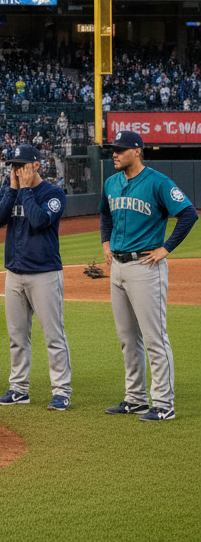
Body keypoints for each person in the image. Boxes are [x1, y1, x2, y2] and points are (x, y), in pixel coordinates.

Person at [100, 129, 198, 421]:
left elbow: (189, 213)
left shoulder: (157, 182)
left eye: (120, 149)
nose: (114, 154)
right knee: (128, 338)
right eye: (112, 149)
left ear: (137, 151)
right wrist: (105, 242)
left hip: (146, 268)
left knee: (155, 337)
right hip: (117, 268)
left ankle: (164, 405)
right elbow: (105, 214)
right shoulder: (111, 183)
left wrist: (166, 248)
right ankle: (136, 398)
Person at [0, 144, 72, 410]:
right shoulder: (10, 189)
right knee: (17, 336)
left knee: (53, 335)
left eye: (21, 165)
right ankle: (18, 389)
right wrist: (13, 190)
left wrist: (24, 190)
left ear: (36, 165)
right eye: (13, 165)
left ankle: (61, 391)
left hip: (44, 273)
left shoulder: (54, 193)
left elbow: (38, 220)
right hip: (14, 272)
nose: (16, 169)